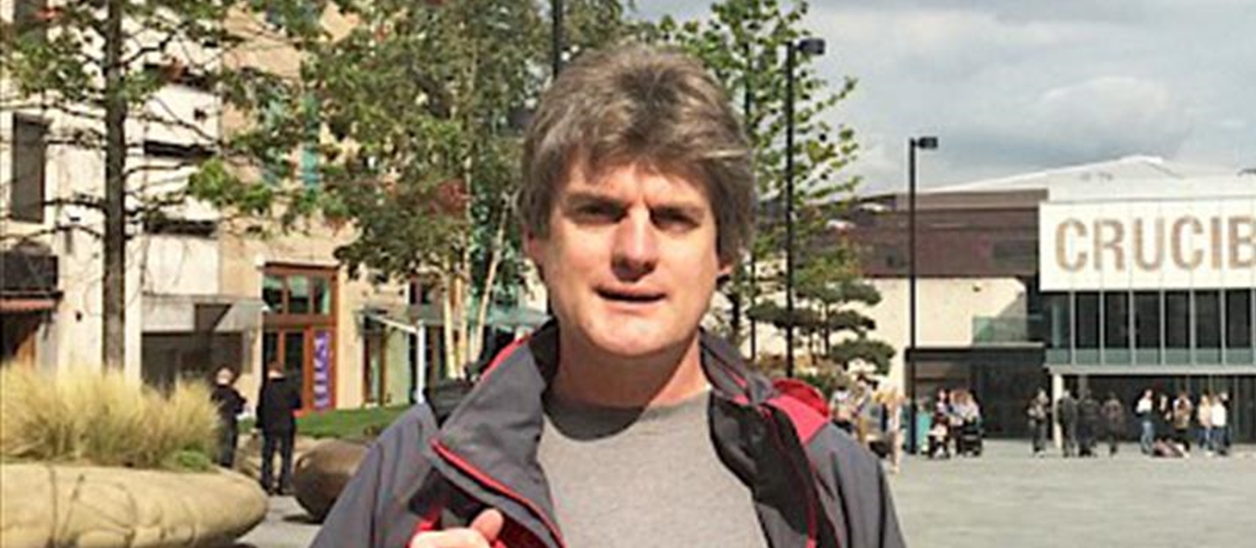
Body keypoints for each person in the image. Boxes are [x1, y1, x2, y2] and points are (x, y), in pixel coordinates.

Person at [312, 45, 903, 548]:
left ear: (725, 252)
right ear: (536, 237)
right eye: (597, 211)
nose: (635, 251)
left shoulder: (822, 474)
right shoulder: (419, 466)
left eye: (673, 218)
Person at [255, 362, 301, 495]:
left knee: (268, 455)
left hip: (269, 425)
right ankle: (285, 484)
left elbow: (261, 408)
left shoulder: (266, 388)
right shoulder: (290, 386)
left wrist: (258, 425)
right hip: (286, 424)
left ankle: (267, 483)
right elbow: (298, 404)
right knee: (286, 456)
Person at [210, 367, 246, 469]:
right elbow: (239, 408)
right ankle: (226, 463)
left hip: (217, 420)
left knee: (218, 441)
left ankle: (217, 460)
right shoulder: (233, 393)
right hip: (230, 420)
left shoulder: (214, 393)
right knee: (228, 442)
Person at [1100, 393, 1126, 457]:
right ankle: (1115, 445)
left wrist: (1105, 417)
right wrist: (1121, 419)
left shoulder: (1107, 404)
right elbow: (1121, 412)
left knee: (1110, 434)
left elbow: (1103, 412)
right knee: (1116, 435)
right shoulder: (1118, 403)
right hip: (1117, 421)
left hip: (1109, 420)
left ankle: (1111, 446)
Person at [1057, 389, 1080, 458]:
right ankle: (1069, 451)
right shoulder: (1065, 402)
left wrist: (1059, 420)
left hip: (1068, 422)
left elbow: (1074, 412)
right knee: (1069, 436)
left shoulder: (1063, 402)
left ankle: (1069, 451)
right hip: (1067, 422)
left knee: (1068, 436)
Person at [1027, 390, 1050, 456]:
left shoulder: (1047, 402)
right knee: (1035, 435)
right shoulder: (1033, 402)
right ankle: (1036, 448)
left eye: (1043, 395)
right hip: (1035, 420)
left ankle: (1042, 449)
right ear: (1038, 396)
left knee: (1043, 435)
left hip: (1043, 420)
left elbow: (1049, 410)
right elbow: (1029, 410)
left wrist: (1046, 412)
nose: (1042, 397)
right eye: (1041, 395)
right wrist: (1033, 413)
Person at [1135, 389, 1156, 455]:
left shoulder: (1150, 401)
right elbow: (1138, 410)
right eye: (1149, 394)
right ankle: (1144, 447)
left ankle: (1149, 447)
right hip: (1145, 419)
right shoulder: (1142, 401)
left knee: (1151, 433)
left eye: (1151, 394)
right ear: (1145, 394)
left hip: (1150, 418)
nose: (1150, 395)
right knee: (1146, 433)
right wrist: (1143, 410)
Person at [1210, 392, 1231, 456]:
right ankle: (1218, 450)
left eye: (1216, 399)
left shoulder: (1223, 406)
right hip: (1216, 425)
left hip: (1221, 424)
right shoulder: (1213, 407)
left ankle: (1221, 450)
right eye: (1214, 399)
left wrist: (1224, 397)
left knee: (1220, 438)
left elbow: (1227, 404)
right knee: (1216, 438)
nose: (1215, 400)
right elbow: (1212, 416)